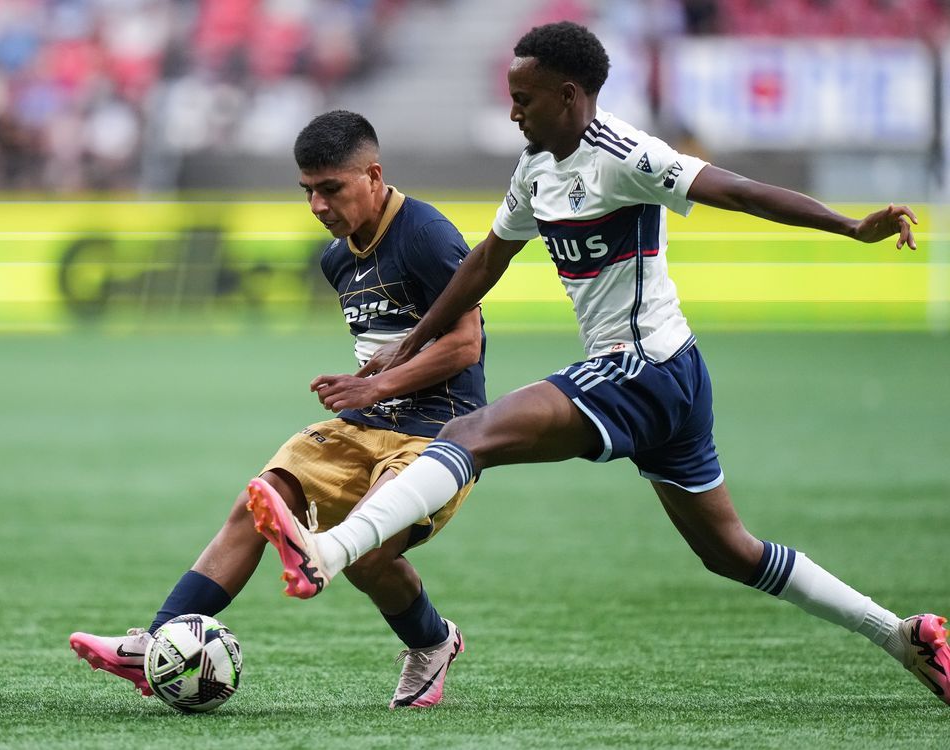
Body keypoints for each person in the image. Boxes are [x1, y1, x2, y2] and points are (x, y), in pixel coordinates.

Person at [250, 22, 950, 707]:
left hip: (644, 367)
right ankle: (903, 635)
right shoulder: (534, 168)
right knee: (730, 552)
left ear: (569, 94)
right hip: (665, 377)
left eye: (524, 98)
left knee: (466, 437)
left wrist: (851, 226)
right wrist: (411, 343)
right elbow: (486, 263)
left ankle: (331, 552)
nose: (513, 110)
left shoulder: (626, 153)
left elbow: (736, 190)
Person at [69, 110, 484, 709]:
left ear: (373, 174)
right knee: (257, 503)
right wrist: (367, 392)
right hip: (366, 424)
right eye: (307, 191)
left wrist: (374, 388)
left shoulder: (425, 232)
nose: (317, 205)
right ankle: (158, 640)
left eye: (330, 188)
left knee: (368, 554)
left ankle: (433, 641)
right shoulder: (337, 258)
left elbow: (466, 343)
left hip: (440, 432)